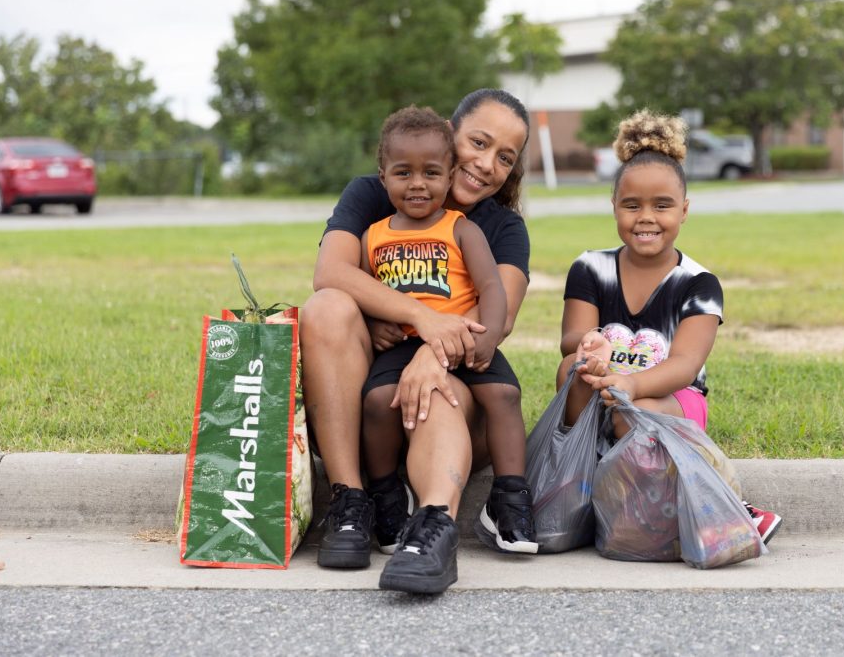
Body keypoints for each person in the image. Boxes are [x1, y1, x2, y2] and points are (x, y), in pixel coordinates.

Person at [300, 88, 532, 593]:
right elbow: (331, 271)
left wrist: (432, 353)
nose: (486, 163)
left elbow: (502, 310)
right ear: (451, 133)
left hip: (460, 379)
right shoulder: (374, 193)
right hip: (375, 384)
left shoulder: (500, 226)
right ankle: (351, 501)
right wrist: (417, 319)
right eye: (479, 141)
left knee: (436, 393)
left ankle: (432, 530)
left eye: (505, 157)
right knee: (326, 307)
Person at [556, 109, 783, 544]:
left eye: (662, 206)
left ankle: (728, 510)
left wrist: (631, 385)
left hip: (671, 401)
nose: (646, 217)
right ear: (613, 207)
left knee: (631, 412)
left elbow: (685, 363)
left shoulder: (699, 284)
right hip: (603, 387)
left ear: (684, 210)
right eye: (631, 205)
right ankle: (580, 488)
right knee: (570, 368)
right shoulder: (590, 268)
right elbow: (572, 337)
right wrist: (590, 345)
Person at [360, 105, 537, 560]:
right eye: (479, 143)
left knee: (505, 395)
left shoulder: (466, 227)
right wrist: (377, 322)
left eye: (505, 156)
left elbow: (494, 289)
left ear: (447, 171)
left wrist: (485, 335)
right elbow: (362, 286)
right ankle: (384, 495)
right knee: (380, 400)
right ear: (384, 177)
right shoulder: (374, 232)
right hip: (402, 343)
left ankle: (510, 497)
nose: (418, 184)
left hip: (466, 339)